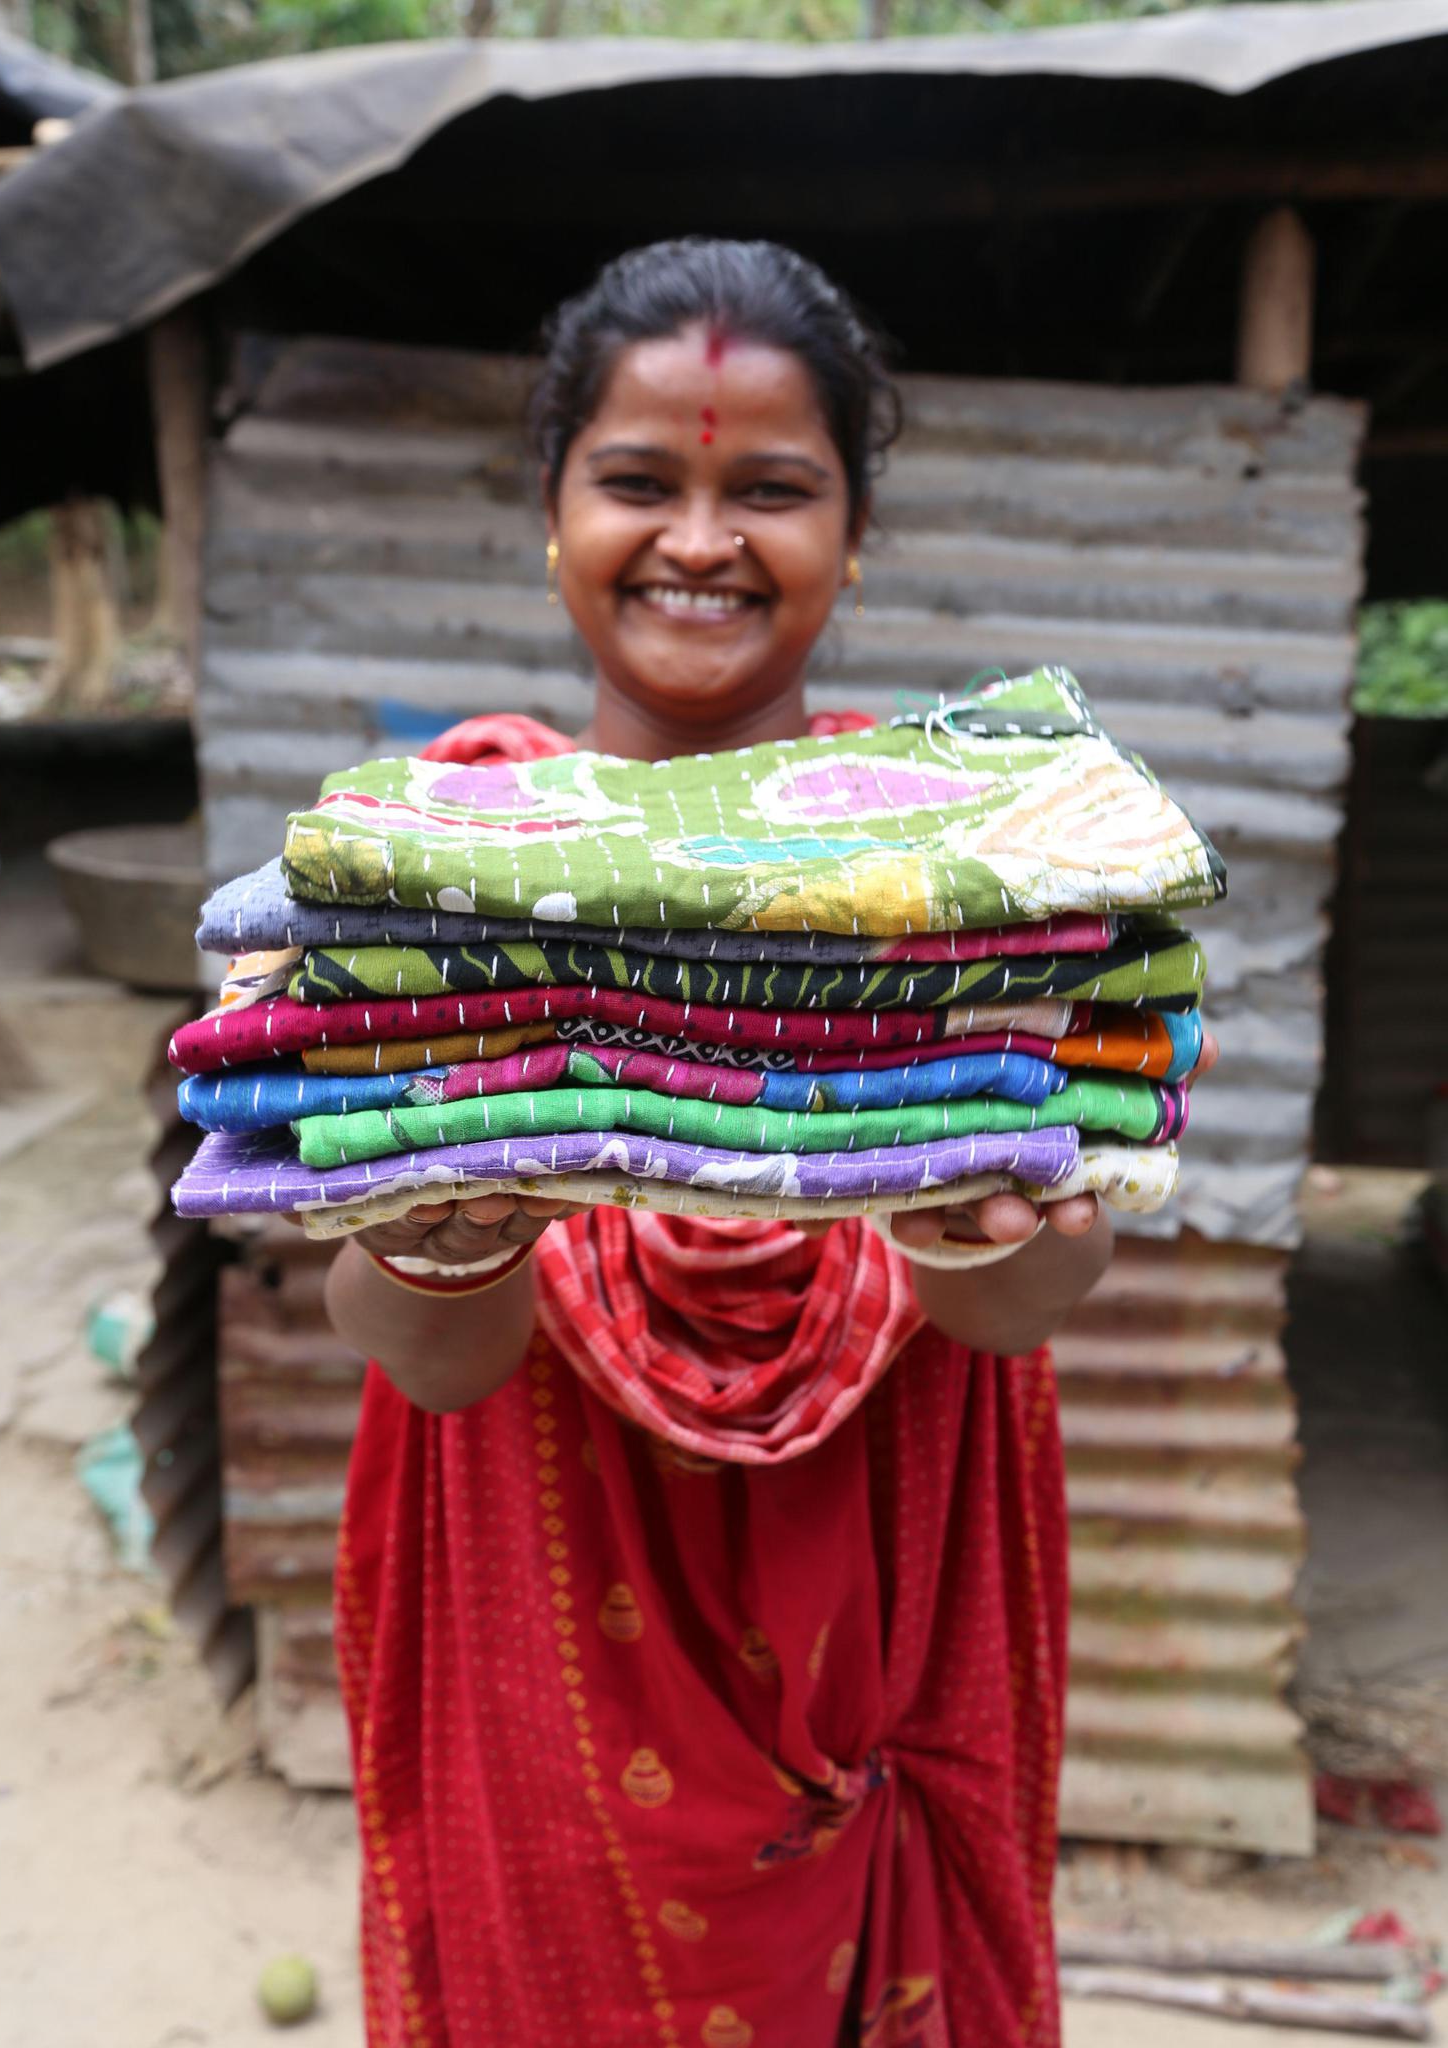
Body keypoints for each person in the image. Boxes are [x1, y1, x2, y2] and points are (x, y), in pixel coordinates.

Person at [326, 238, 1210, 2048]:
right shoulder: (441, 875)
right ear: (551, 518)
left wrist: (967, 1181)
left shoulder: (986, 874)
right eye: (639, 481)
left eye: (773, 491)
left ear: (854, 537)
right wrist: (477, 1176)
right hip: (557, 1611)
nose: (701, 540)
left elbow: (1022, 1303)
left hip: (883, 1605)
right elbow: (429, 1357)